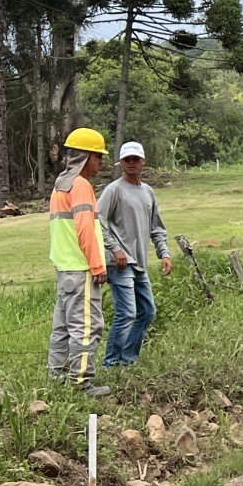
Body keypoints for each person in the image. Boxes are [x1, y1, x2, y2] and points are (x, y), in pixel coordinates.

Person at [47, 128, 110, 396]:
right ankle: (80, 383)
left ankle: (57, 377)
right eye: (98, 156)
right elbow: (85, 228)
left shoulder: (62, 182)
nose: (101, 162)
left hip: (64, 268)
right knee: (87, 326)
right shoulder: (81, 186)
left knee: (62, 327)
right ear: (86, 157)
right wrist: (97, 265)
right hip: (80, 267)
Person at [99, 140, 173, 368]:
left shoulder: (148, 192)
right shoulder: (113, 190)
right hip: (120, 264)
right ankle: (110, 363)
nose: (132, 163)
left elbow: (156, 227)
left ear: (143, 162)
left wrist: (164, 253)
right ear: (121, 163)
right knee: (127, 312)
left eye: (136, 159)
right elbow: (96, 220)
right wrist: (115, 248)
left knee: (147, 311)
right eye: (127, 159)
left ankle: (128, 359)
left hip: (140, 262)